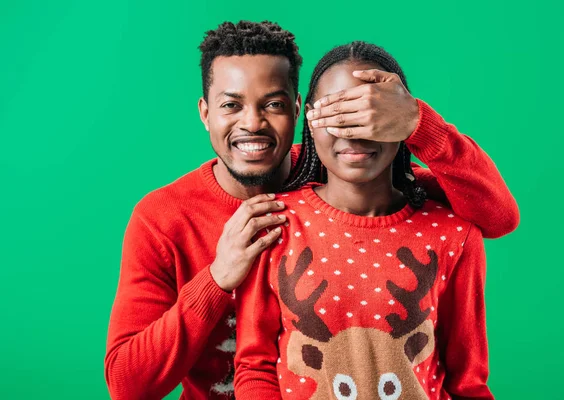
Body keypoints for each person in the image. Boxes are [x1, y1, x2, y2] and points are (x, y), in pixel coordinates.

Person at [105, 21, 516, 400]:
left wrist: (416, 121)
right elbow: (127, 384)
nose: (252, 123)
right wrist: (216, 279)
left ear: (299, 110)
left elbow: (493, 214)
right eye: (231, 105)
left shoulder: (346, 169)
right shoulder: (162, 218)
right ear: (204, 112)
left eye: (273, 104)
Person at [234, 42, 496, 399]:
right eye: (335, 114)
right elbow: (255, 365)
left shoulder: (454, 235)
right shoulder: (274, 223)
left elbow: (468, 381)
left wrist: (422, 122)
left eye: (371, 114)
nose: (352, 132)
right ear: (309, 119)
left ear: (401, 121)